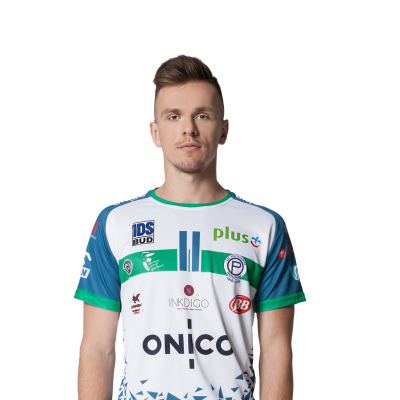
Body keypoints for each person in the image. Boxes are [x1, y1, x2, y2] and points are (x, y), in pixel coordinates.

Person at [74, 54, 306, 400]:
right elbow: (97, 347)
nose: (188, 129)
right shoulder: (114, 223)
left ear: (224, 129)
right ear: (154, 132)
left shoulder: (265, 226)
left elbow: (276, 350)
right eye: (173, 116)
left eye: (202, 115)